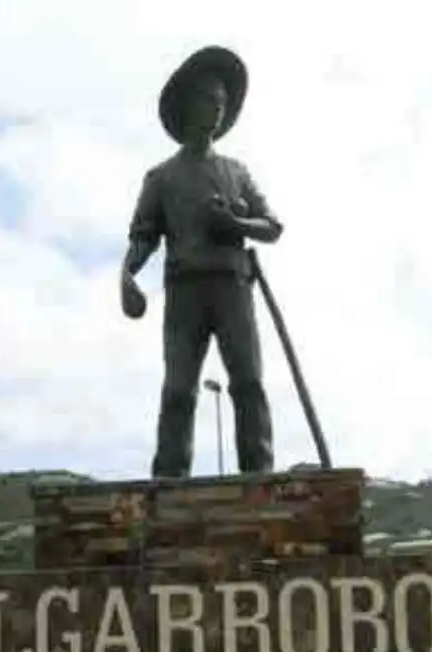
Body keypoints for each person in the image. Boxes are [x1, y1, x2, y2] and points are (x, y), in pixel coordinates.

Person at [120, 46, 283, 478]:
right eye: (210, 98)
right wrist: (127, 273)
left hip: (232, 288)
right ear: (189, 105)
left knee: (248, 384)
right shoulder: (161, 178)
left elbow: (273, 226)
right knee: (178, 391)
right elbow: (143, 235)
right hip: (185, 290)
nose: (217, 107)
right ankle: (170, 481)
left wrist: (234, 223)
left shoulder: (237, 171)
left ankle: (258, 477)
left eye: (223, 102)